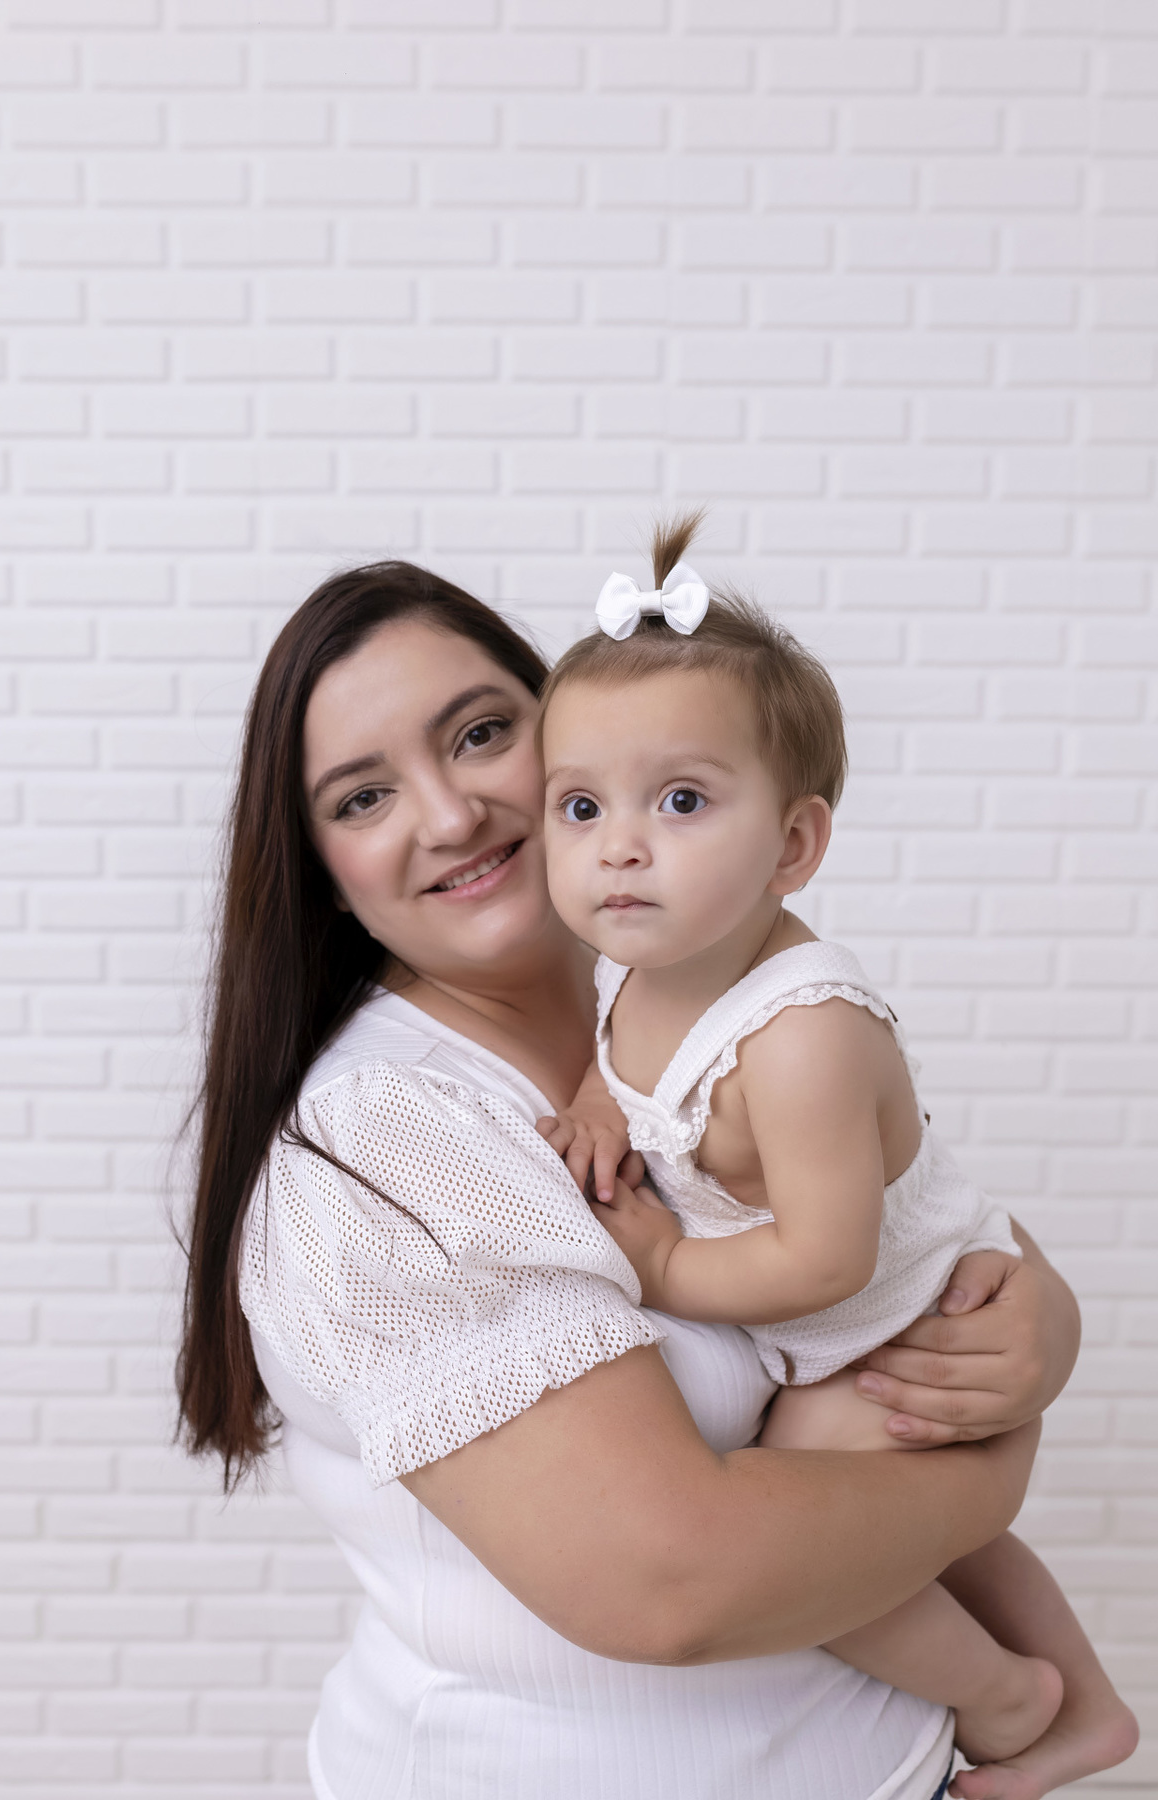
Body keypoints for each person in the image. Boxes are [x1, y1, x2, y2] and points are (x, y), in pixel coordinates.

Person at [177, 558, 1085, 1800]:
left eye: (483, 734)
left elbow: (908, 1209)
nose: (449, 817)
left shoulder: (686, 988)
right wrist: (996, 1457)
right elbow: (674, 1584)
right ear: (323, 872)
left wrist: (1035, 1326)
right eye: (364, 798)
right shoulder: (383, 1134)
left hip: (899, 1761)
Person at [537, 516, 1138, 1800]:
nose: (618, 845)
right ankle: (1087, 1703)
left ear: (795, 846)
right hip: (830, 1310)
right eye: (580, 805)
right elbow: (622, 1053)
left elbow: (827, 1253)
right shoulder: (638, 960)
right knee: (929, 1542)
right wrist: (595, 1098)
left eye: (681, 801)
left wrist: (663, 1266)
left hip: (893, 1312)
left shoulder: (803, 1035)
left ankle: (1016, 1702)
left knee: (796, 1543)